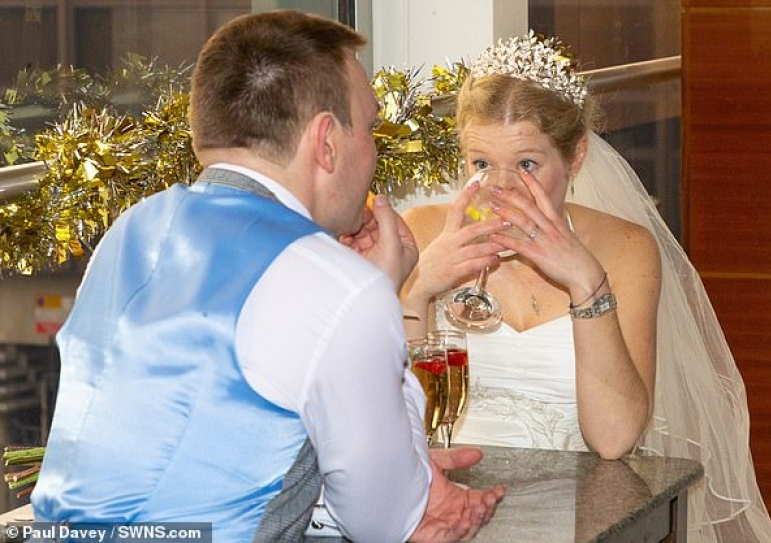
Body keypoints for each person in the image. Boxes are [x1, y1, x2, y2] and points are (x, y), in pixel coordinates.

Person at [30, 10, 504, 543]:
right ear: (326, 143)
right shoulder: (337, 285)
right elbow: (386, 520)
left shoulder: (132, 229)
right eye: (370, 128)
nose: (374, 150)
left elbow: (200, 454)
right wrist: (383, 297)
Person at [401, 32, 771, 542]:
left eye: (527, 164)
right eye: (481, 164)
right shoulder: (423, 234)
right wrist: (418, 289)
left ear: (576, 157)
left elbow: (614, 439)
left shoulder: (625, 248)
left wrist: (586, 282)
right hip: (440, 506)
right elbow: (394, 423)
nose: (501, 188)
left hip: (579, 516)